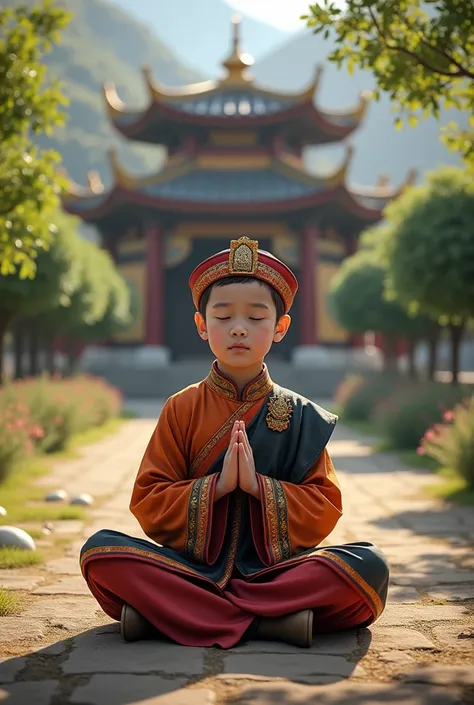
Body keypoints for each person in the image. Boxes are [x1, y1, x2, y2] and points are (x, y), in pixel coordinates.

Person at [80, 236, 389, 648]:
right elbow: (148, 499)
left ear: (281, 328)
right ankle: (273, 623)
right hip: (191, 568)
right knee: (99, 553)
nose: (239, 328)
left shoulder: (300, 414)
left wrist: (261, 488)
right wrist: (218, 488)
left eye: (256, 318)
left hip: (276, 572)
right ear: (201, 325)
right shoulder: (182, 407)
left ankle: (174, 615)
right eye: (223, 316)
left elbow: (325, 505)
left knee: (369, 566)